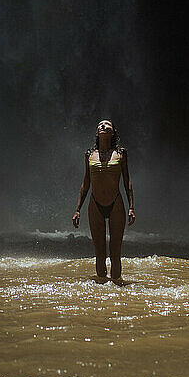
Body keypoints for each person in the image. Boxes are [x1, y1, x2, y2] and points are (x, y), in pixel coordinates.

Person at [72, 120, 135, 285]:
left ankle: (117, 289)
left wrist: (131, 207)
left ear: (113, 131)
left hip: (116, 204)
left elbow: (127, 181)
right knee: (99, 253)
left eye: (107, 124)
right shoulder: (89, 154)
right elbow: (86, 182)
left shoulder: (121, 153)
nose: (103, 126)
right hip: (95, 204)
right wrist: (77, 209)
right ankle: (101, 290)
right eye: (100, 125)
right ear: (97, 132)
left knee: (115, 252)